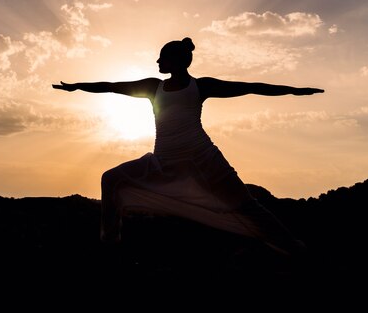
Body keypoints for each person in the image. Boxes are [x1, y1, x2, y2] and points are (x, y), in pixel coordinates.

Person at [52, 37, 324, 255]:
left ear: (178, 60)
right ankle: (110, 242)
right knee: (111, 179)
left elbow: (250, 86)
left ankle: (294, 247)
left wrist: (295, 90)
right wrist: (77, 87)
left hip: (203, 159)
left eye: (163, 56)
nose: (158, 60)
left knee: (246, 206)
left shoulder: (200, 86)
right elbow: (112, 86)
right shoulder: (152, 87)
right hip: (164, 163)